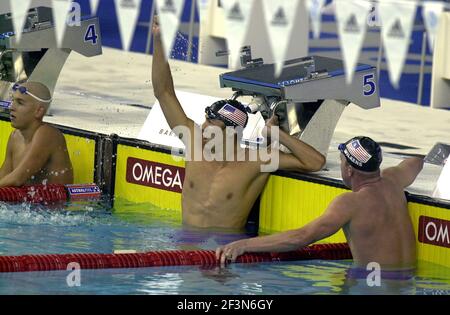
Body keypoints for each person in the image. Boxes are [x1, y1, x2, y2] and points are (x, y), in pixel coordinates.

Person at [151, 18, 325, 230]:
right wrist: (159, 41)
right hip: (184, 248)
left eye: (211, 123)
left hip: (224, 251)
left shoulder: (256, 161)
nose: (204, 128)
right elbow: (164, 93)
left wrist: (277, 134)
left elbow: (315, 163)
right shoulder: (195, 144)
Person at [216, 136, 423, 272]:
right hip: (407, 283)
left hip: (371, 287)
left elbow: (301, 237)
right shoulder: (393, 181)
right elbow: (416, 162)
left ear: (349, 170)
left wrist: (243, 244)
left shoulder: (351, 202)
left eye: (342, 161)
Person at [0, 82, 73, 187]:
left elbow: (17, 179)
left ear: (39, 111)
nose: (11, 107)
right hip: (28, 202)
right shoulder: (15, 137)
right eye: (13, 101)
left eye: (20, 103)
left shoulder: (48, 135)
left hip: (56, 203)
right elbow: (4, 176)